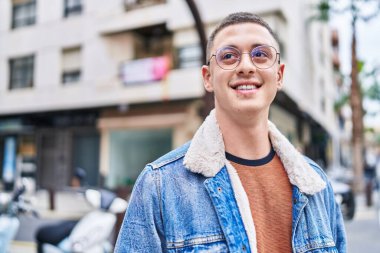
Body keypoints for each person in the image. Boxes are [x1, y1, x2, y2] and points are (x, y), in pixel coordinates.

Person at [115, 12, 346, 253]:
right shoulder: (159, 186)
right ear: (208, 78)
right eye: (228, 56)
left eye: (261, 54)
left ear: (279, 75)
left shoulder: (316, 185)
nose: (246, 66)